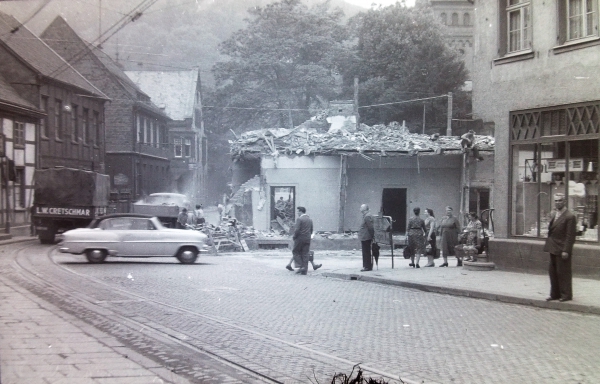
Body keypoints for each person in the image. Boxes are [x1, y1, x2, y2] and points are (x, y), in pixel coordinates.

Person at [543, 193, 576, 302]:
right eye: (556, 201)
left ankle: (566, 295)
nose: (557, 203)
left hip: (562, 249)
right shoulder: (554, 214)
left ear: (564, 202)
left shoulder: (569, 216)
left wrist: (566, 250)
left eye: (560, 200)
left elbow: (570, 235)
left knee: (563, 272)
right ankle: (554, 294)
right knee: (552, 271)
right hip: (553, 247)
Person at [291, 206, 313, 275]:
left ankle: (301, 266)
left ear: (300, 211)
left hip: (300, 239)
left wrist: (294, 237)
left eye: (298, 211)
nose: (297, 213)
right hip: (307, 239)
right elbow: (311, 230)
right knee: (305, 254)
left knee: (295, 252)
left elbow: (297, 230)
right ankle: (304, 270)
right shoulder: (310, 219)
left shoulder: (299, 219)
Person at [358, 204, 374, 272]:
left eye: (361, 207)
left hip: (366, 236)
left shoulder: (367, 216)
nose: (360, 208)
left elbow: (370, 227)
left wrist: (372, 236)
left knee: (366, 252)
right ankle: (366, 266)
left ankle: (367, 266)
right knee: (365, 251)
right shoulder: (365, 215)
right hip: (365, 236)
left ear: (364, 209)